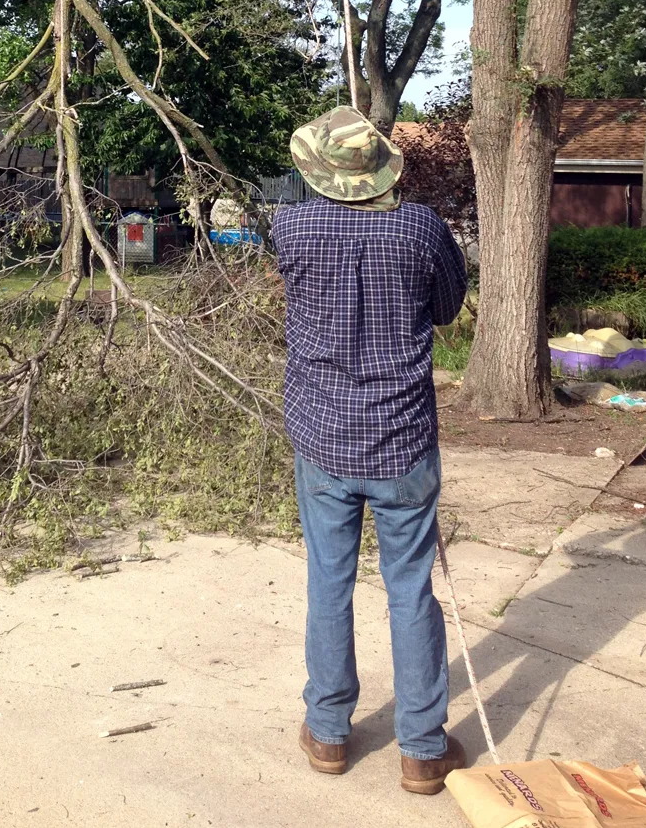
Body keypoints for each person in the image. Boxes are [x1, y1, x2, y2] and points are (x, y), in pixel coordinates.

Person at [271, 107, 468, 796]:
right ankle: (421, 747)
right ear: (378, 173)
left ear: (321, 171)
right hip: (402, 440)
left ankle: (327, 730)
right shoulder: (419, 229)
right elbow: (447, 306)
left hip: (323, 436)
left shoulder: (290, 226)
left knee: (329, 579)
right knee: (408, 589)